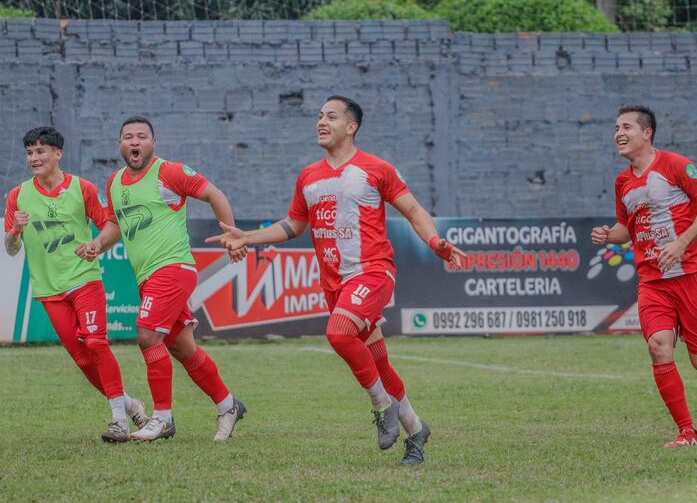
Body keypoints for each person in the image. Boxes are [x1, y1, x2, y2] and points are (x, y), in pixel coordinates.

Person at [206, 96, 465, 465]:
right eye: (319, 116)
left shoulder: (376, 168)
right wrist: (246, 237)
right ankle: (415, 429)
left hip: (373, 271)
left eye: (331, 116)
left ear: (351, 126)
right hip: (335, 283)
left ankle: (381, 407)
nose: (321, 122)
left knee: (339, 333)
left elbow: (413, 209)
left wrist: (437, 242)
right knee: (380, 363)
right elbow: (293, 225)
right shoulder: (308, 175)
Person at [591, 105, 697, 447]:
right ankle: (688, 432)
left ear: (647, 133)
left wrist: (681, 243)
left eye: (627, 126)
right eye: (616, 127)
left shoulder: (675, 165)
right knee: (658, 347)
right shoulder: (622, 182)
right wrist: (608, 234)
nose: (618, 132)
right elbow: (626, 229)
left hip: (692, 273)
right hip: (653, 281)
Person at [81, 117, 247, 442]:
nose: (135, 142)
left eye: (142, 136)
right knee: (184, 349)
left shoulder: (168, 172)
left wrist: (233, 237)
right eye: (128, 136)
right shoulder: (115, 182)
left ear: (153, 143)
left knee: (146, 336)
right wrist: (98, 243)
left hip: (173, 269)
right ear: (120, 145)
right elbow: (115, 224)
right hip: (147, 277)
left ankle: (162, 418)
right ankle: (228, 405)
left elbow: (216, 195)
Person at [4, 126, 148, 442]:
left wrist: (96, 244)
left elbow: (109, 224)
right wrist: (14, 231)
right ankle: (130, 404)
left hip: (84, 280)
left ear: (58, 154)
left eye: (41, 151)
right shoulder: (17, 195)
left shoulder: (81, 188)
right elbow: (11, 249)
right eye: (29, 153)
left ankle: (119, 421)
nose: (34, 158)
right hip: (48, 289)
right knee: (82, 359)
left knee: (96, 343)